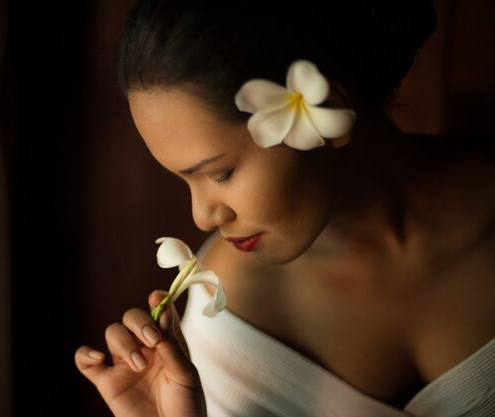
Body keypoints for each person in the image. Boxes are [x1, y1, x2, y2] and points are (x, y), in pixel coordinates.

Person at [75, 0, 495, 416]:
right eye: (182, 180)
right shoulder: (226, 321)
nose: (202, 217)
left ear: (324, 108)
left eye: (219, 174)